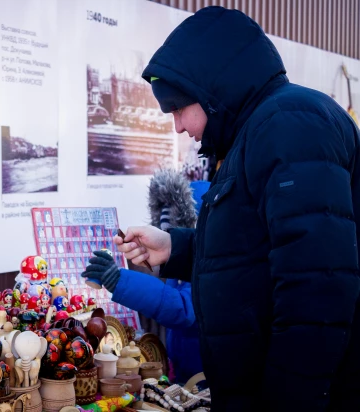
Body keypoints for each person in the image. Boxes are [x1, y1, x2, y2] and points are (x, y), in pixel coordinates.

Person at [115, 6, 360, 411]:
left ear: (211, 91)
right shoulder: (259, 131)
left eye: (177, 108)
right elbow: (254, 249)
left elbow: (318, 290)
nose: (177, 126)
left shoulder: (290, 123)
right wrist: (174, 248)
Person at [82, 169, 206, 384]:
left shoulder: (209, 257)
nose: (170, 242)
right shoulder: (190, 255)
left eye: (174, 234)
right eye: (164, 231)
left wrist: (118, 281)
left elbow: (185, 308)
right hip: (186, 367)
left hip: (206, 373)